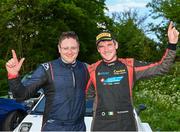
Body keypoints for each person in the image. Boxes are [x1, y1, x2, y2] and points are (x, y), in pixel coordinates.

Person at [86, 21, 179, 131]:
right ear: (98, 50)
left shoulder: (130, 65)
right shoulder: (92, 70)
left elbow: (161, 67)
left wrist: (172, 44)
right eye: (101, 46)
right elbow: (86, 95)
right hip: (101, 126)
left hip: (126, 125)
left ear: (116, 45)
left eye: (109, 44)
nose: (106, 49)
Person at [6, 31, 89, 131]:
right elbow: (22, 95)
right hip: (54, 127)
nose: (70, 52)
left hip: (79, 127)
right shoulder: (47, 69)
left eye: (73, 48)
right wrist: (13, 76)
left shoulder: (85, 68)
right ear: (59, 48)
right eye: (65, 48)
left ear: (78, 48)